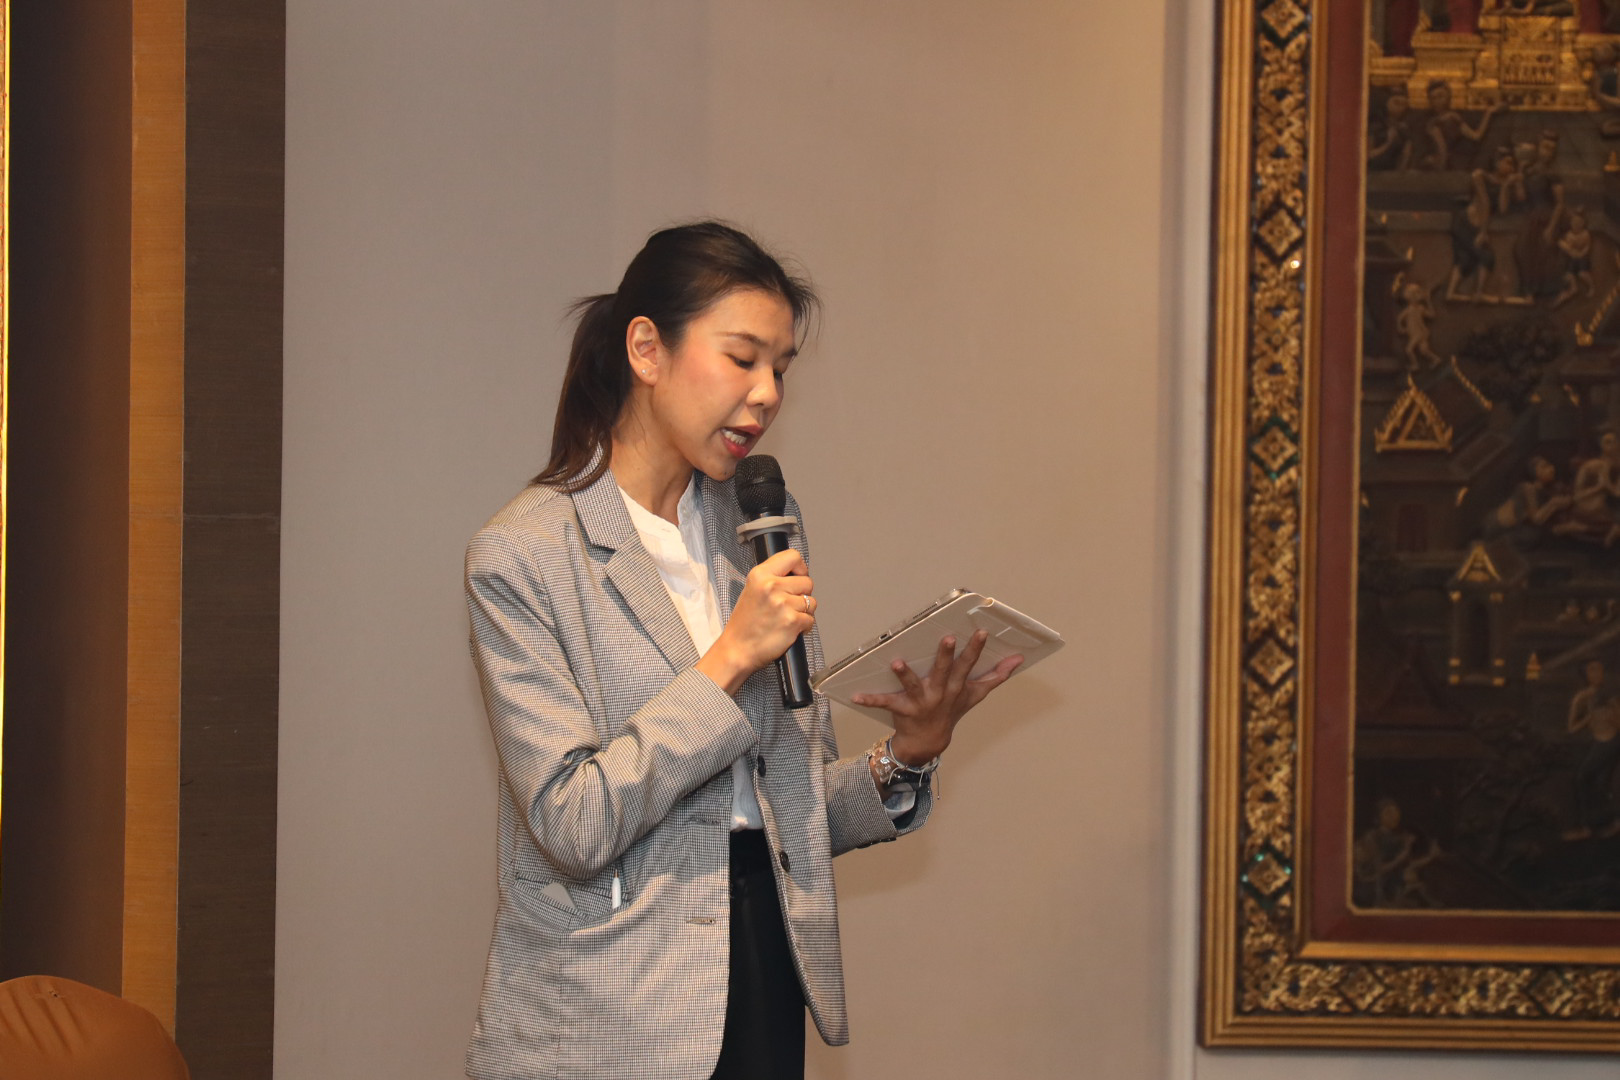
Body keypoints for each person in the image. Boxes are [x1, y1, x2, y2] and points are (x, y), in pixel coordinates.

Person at [462, 221, 1022, 1080]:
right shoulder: (524, 554)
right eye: (742, 358)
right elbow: (571, 825)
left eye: (781, 369)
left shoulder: (756, 528)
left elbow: (785, 805)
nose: (765, 394)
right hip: (609, 1008)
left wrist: (909, 753)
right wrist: (727, 661)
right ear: (646, 349)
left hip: (762, 962)